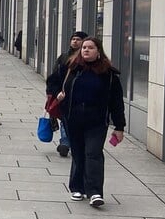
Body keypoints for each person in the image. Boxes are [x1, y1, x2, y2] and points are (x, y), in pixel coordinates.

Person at [53, 37, 125, 207]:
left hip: (97, 122)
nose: (86, 50)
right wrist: (58, 94)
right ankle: (77, 187)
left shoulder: (108, 74)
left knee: (93, 154)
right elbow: (53, 82)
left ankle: (95, 192)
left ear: (98, 51)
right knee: (78, 153)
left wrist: (119, 127)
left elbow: (117, 102)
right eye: (84, 47)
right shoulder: (71, 68)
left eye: (90, 48)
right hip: (73, 119)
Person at [46, 31, 88, 158]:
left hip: (82, 98)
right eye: (73, 39)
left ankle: (73, 142)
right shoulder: (64, 57)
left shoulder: (87, 59)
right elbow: (54, 77)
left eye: (78, 39)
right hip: (64, 96)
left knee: (77, 121)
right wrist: (54, 92)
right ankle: (65, 143)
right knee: (65, 119)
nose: (75, 41)